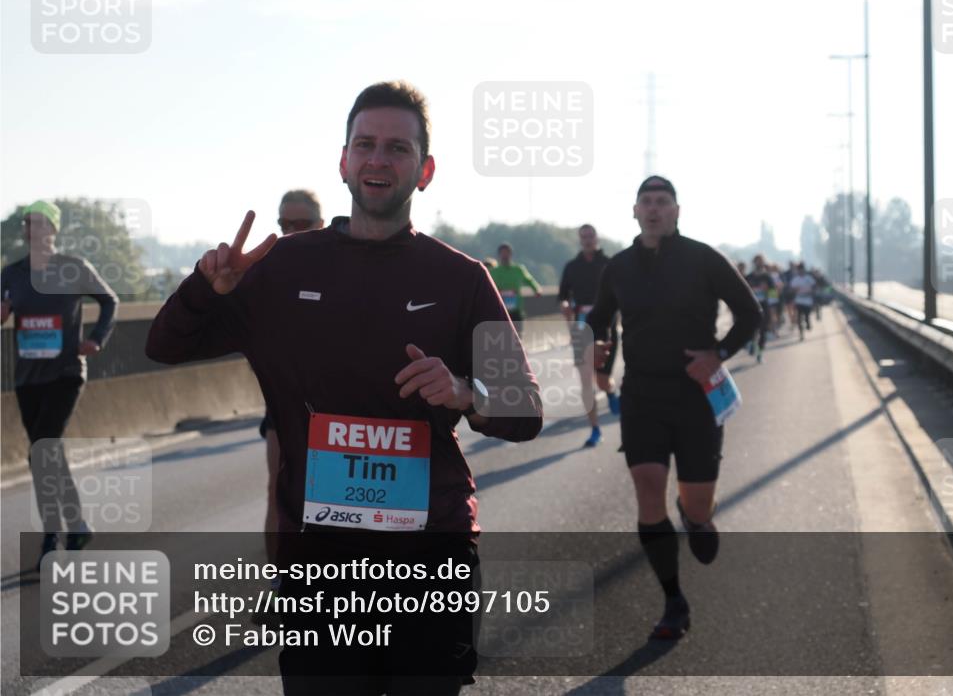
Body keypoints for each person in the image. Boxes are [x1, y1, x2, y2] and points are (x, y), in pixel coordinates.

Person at [146, 81, 543, 694]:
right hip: (321, 562)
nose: (378, 159)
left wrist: (467, 392)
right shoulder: (279, 268)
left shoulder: (462, 279)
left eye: (397, 148)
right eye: (365, 145)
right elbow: (164, 346)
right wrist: (205, 288)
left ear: (425, 170)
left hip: (430, 555)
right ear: (343, 162)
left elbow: (525, 410)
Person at [586, 176, 760, 640]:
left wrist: (717, 355)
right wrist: (602, 350)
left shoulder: (703, 259)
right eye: (647, 202)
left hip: (696, 397)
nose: (655, 209)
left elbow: (751, 313)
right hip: (642, 395)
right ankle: (673, 602)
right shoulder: (619, 267)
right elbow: (600, 318)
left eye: (663, 202)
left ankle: (695, 514)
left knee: (697, 503)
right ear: (635, 211)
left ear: (677, 211)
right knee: (647, 488)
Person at [1, 200, 119, 569]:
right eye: (28, 224)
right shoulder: (12, 274)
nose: (33, 230)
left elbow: (110, 301)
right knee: (47, 454)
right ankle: (78, 524)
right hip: (27, 377)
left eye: (41, 224)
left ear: (53, 230)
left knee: (43, 451)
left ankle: (52, 539)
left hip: (66, 373)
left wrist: (96, 339)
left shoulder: (73, 268)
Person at [253, 189, 325, 626]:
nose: (292, 233)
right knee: (278, 491)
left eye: (301, 225)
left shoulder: (346, 264)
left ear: (320, 223)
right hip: (284, 402)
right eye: (285, 225)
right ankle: (282, 585)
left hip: (341, 405)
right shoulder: (269, 270)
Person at [558, 224, 620, 447]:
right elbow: (563, 296)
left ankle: (611, 392)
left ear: (597, 237)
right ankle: (595, 429)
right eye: (583, 236)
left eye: (590, 235)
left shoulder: (609, 263)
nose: (587, 239)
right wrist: (565, 305)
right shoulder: (572, 267)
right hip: (582, 330)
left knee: (602, 380)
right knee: (586, 382)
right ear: (579, 239)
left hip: (607, 330)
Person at [488, 243, 541, 334]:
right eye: (502, 253)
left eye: (507, 252)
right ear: (499, 255)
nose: (505, 255)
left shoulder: (518, 269)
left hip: (516, 309)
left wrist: (537, 289)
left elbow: (529, 280)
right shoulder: (493, 272)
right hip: (501, 309)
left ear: (511, 254)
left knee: (517, 335)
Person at [744, 254, 775, 363]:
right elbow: (742, 291)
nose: (759, 263)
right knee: (752, 329)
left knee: (763, 330)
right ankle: (752, 343)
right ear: (754, 262)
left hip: (764, 306)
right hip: (752, 306)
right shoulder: (749, 277)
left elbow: (773, 292)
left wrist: (772, 305)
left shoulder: (767, 277)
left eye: (761, 261)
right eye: (757, 261)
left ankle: (760, 353)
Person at [789, 262, 818, 341]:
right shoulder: (795, 279)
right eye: (799, 270)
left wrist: (811, 291)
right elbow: (791, 289)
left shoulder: (808, 278)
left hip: (807, 300)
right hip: (799, 300)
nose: (801, 271)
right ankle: (801, 333)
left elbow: (815, 286)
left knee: (807, 315)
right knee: (799, 317)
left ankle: (808, 323)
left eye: (802, 269)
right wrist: (795, 290)